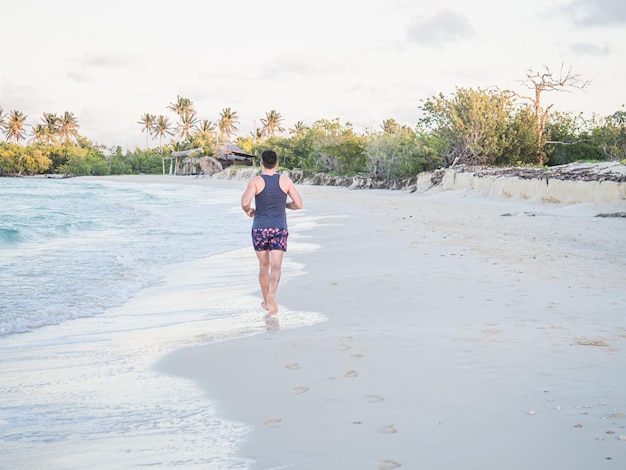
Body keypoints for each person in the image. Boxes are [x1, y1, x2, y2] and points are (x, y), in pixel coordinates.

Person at [241, 149, 303, 315]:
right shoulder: (285, 181)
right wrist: (285, 205)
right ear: (276, 164)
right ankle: (272, 294)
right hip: (279, 228)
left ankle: (267, 302)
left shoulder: (255, 182)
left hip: (260, 228)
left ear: (261, 163)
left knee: (263, 266)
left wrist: (249, 211)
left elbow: (245, 201)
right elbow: (299, 204)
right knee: (276, 266)